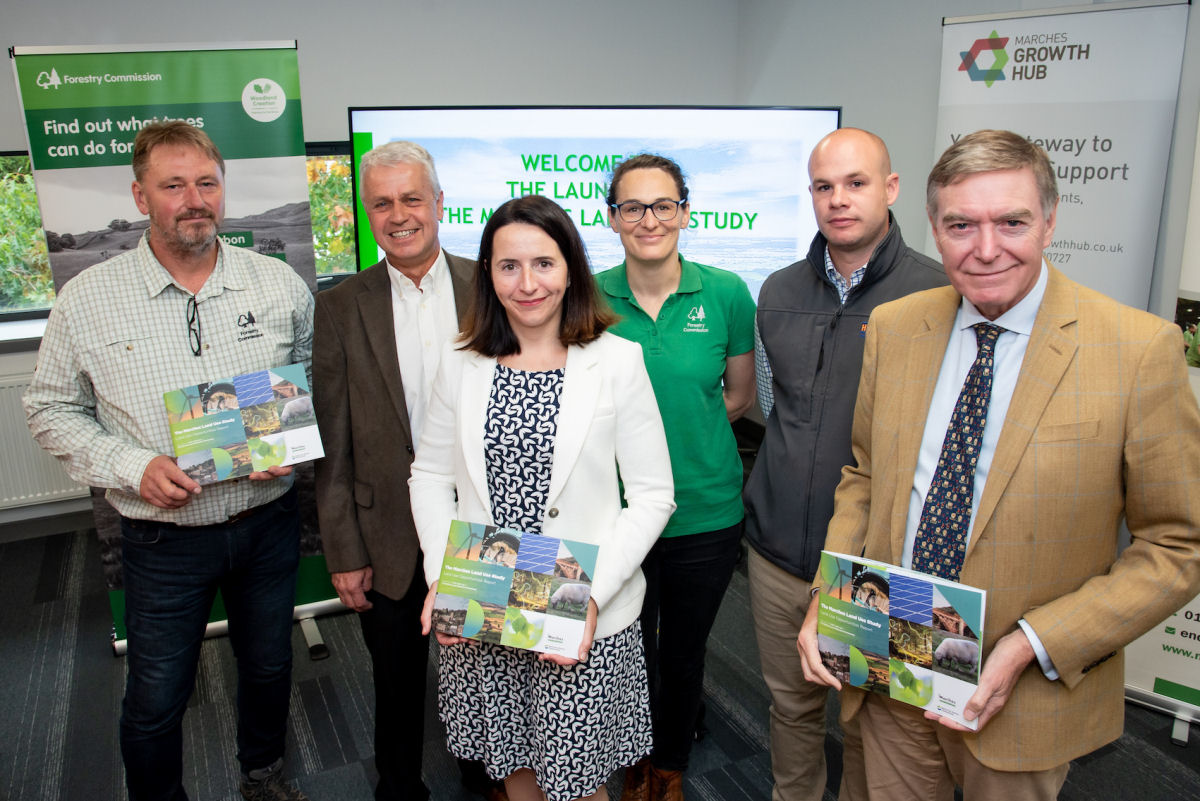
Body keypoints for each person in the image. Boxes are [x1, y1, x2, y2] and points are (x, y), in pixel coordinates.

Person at [797, 129, 1200, 800]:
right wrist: (828, 597)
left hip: (1025, 692)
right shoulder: (897, 327)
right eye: (961, 225)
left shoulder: (1137, 351)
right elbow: (864, 475)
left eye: (1010, 221)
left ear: (1049, 220)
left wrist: (1030, 644)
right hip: (895, 656)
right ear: (935, 227)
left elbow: (1179, 545)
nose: (986, 249)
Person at [24, 120, 314, 801]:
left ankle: (263, 774)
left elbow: (309, 385)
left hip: (267, 521)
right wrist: (131, 466)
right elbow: (49, 408)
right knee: (157, 694)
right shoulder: (87, 299)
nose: (194, 199)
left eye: (206, 183)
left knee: (270, 665)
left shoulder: (279, 285)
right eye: (173, 185)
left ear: (223, 190)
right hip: (163, 538)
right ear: (140, 195)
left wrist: (290, 443)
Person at [410, 195, 675, 801]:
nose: (527, 283)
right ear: (488, 273)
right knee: (517, 774)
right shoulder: (460, 363)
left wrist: (590, 597)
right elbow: (427, 476)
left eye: (544, 264)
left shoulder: (617, 361)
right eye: (509, 266)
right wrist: (442, 576)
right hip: (486, 598)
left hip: (579, 608)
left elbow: (654, 495)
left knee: (579, 783)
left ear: (571, 268)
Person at [742, 128, 947, 801]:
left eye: (856, 183)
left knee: (882, 729)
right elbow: (776, 411)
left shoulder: (940, 296)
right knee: (791, 711)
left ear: (889, 189)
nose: (838, 200)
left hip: (883, 565)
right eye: (824, 187)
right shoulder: (776, 290)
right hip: (777, 552)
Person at [313, 140, 501, 801]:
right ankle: (399, 786)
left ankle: (488, 782)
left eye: (412, 198)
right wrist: (343, 549)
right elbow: (333, 443)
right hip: (385, 529)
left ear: (440, 204)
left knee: (485, 672)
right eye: (383, 202)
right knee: (395, 681)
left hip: (482, 525)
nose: (399, 214)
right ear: (367, 211)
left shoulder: (495, 284)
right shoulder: (340, 306)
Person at [594, 154, 755, 801]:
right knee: (625, 651)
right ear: (612, 218)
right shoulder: (588, 293)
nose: (649, 219)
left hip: (704, 511)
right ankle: (633, 754)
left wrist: (674, 443)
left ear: (685, 212)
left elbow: (739, 395)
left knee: (684, 653)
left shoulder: (726, 293)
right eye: (633, 207)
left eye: (663, 205)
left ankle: (666, 771)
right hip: (618, 516)